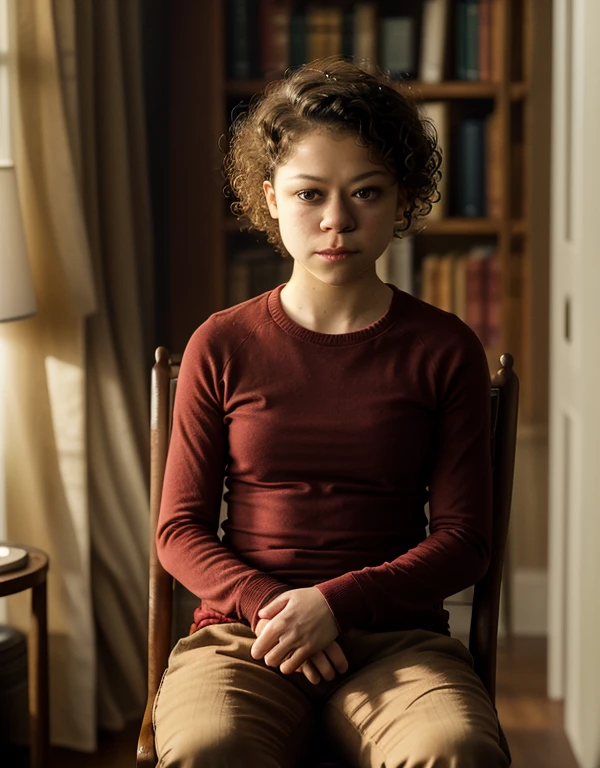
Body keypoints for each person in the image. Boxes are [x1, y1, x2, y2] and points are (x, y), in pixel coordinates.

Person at [152, 55, 509, 768]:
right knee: (206, 748)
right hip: (244, 635)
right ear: (271, 199)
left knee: (456, 748)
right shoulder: (221, 343)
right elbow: (178, 531)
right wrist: (279, 609)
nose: (337, 220)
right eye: (310, 194)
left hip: (398, 641)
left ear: (402, 198)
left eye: (366, 193)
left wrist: (335, 607)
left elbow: (467, 539)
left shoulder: (446, 348)